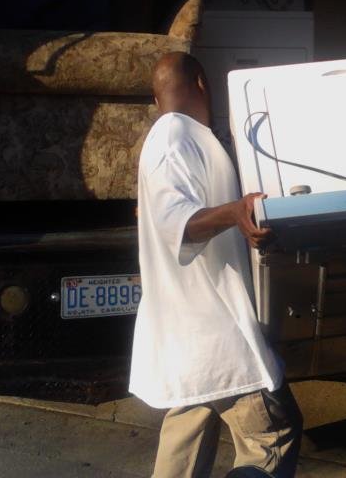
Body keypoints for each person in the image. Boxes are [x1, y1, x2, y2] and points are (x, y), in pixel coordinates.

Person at [129, 52, 303, 478]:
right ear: (202, 84)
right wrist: (235, 212)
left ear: (155, 98)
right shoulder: (175, 138)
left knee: (185, 438)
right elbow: (178, 222)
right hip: (217, 330)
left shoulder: (186, 137)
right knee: (272, 435)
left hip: (188, 336)